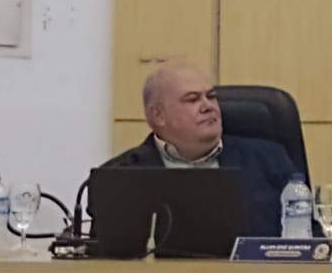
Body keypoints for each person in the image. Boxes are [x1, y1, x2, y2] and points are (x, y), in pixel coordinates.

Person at [100, 59, 298, 235]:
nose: (208, 106)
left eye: (211, 96)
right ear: (158, 115)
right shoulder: (120, 176)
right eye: (193, 99)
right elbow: (104, 255)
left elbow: (306, 238)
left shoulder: (269, 161)